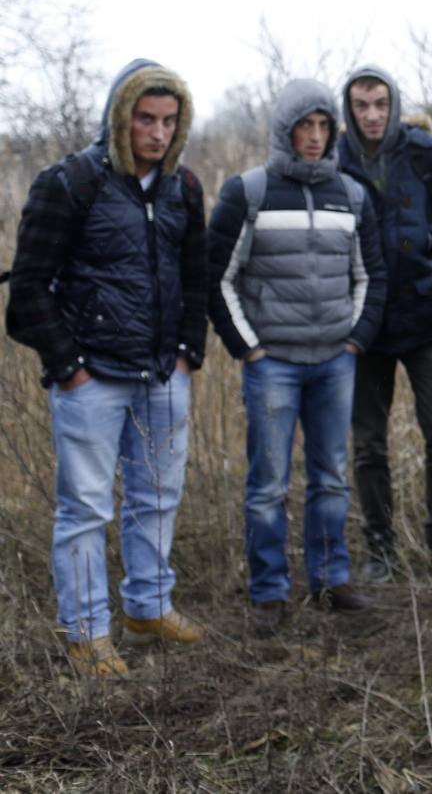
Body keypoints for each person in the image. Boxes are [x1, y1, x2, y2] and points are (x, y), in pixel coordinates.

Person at [6, 59, 207, 676]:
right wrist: (70, 366)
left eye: (169, 121)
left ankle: (149, 607)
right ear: (120, 118)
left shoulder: (184, 188)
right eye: (145, 118)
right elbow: (28, 293)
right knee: (86, 509)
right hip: (92, 377)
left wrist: (186, 353)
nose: (157, 132)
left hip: (162, 376)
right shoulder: (69, 183)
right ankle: (87, 633)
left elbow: (196, 278)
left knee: (158, 497)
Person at [208, 78, 387, 636]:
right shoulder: (249, 191)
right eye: (303, 127)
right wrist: (250, 350)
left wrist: (355, 337)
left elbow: (370, 274)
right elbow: (219, 279)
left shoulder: (351, 194)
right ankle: (269, 593)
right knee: (267, 485)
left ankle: (331, 580)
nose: (314, 137)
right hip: (273, 366)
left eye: (322, 126)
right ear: (285, 131)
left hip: (336, 360)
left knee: (332, 477)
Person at [336, 66, 432, 580]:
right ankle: (380, 545)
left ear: (393, 104)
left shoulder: (423, 152)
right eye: (361, 105)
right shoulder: (335, 159)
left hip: (423, 315)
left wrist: (424, 241)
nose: (372, 115)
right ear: (348, 108)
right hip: (363, 324)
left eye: (380, 104)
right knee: (369, 443)